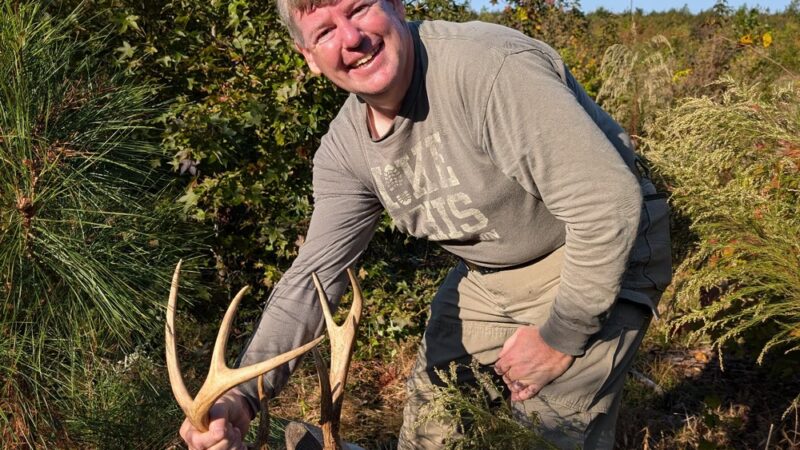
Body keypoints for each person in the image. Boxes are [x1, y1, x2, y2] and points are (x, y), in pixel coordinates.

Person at [179, 0, 672, 448]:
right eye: (325, 31)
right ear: (308, 56)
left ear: (396, 5)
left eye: (360, 9)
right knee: (429, 431)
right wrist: (241, 396)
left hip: (595, 246)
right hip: (489, 275)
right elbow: (315, 278)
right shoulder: (346, 150)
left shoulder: (486, 69)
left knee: (545, 435)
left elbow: (607, 204)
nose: (352, 39)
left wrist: (559, 338)